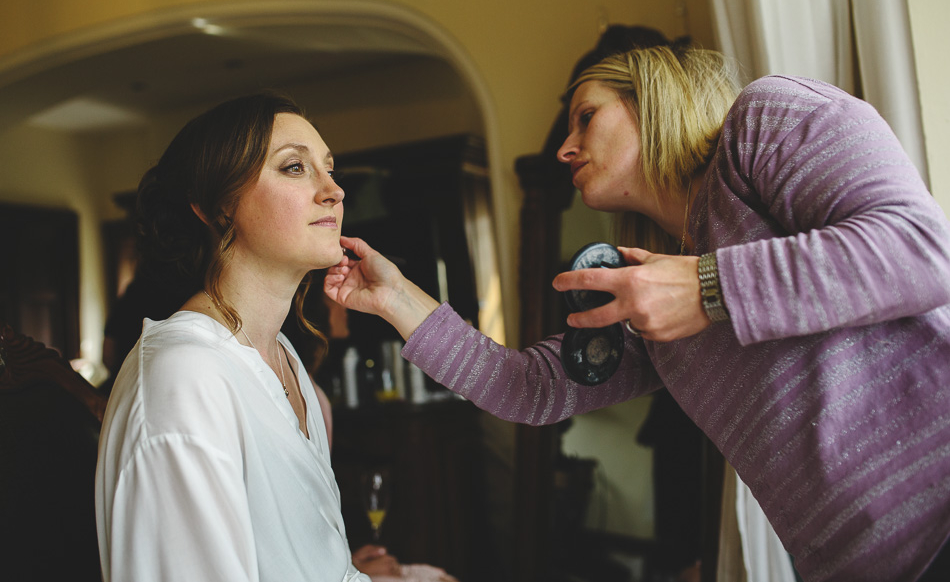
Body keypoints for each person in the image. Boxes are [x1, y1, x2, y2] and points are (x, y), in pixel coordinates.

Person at [324, 44, 950, 582]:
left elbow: (924, 251)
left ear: (654, 99)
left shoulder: (767, 119)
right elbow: (527, 389)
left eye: (586, 117)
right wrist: (396, 298)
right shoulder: (652, 289)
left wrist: (708, 286)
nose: (566, 149)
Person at [95, 91, 370, 581]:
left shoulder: (283, 357)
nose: (333, 191)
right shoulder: (185, 378)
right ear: (216, 206)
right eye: (294, 168)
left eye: (330, 169)